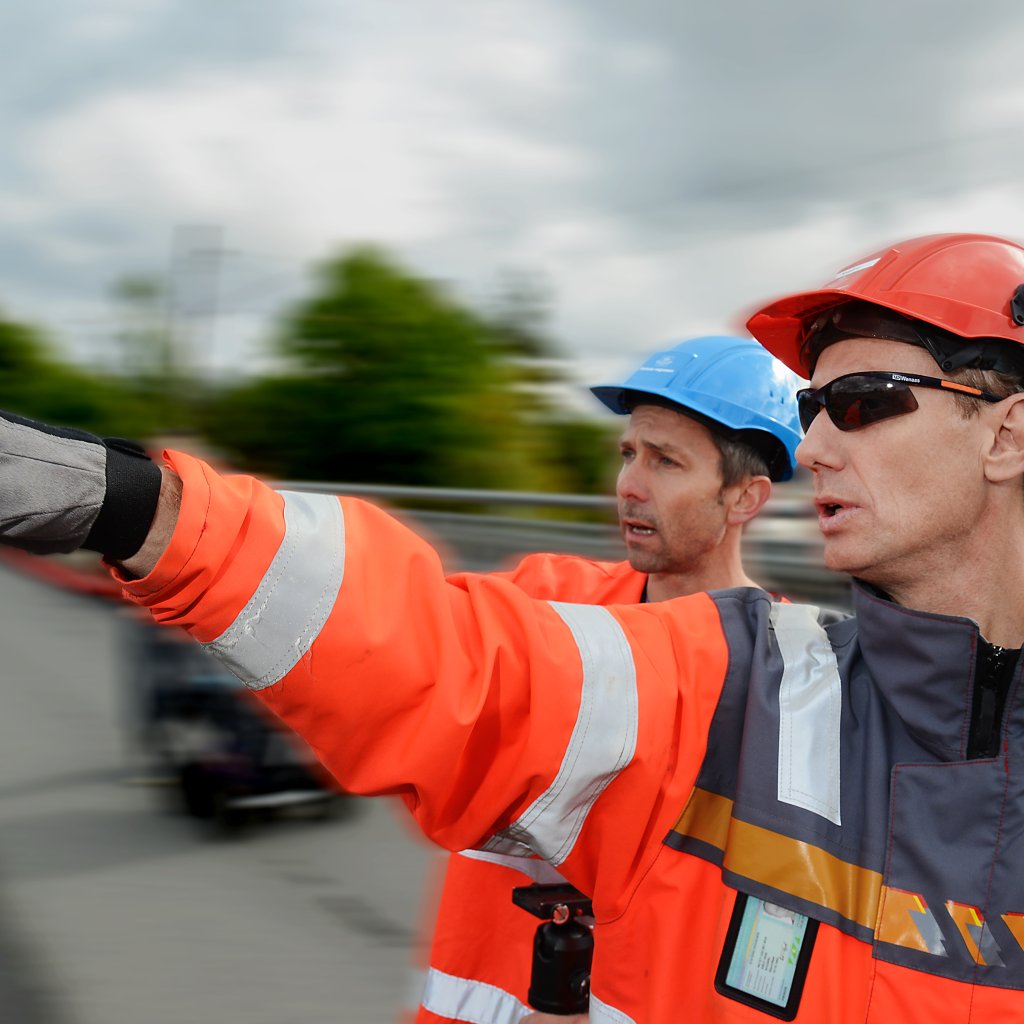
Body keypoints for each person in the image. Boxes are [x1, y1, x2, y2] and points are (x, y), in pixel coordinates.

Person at [5, 230, 1024, 1022]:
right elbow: (439, 656)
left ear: (1007, 430)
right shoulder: (739, 677)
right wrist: (135, 503)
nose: (817, 446)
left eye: (860, 400)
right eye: (809, 408)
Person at [415, 335, 803, 1024]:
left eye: (666, 461)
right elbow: (407, 635)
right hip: (473, 999)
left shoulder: (798, 678)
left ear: (745, 498)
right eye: (629, 454)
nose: (629, 483)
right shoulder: (547, 601)